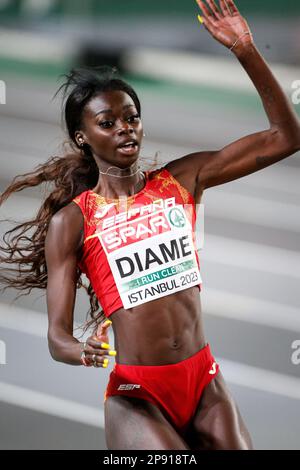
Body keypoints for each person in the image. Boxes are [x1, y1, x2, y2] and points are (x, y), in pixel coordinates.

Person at [1, 0, 299, 450]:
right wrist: (80, 351)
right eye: (108, 122)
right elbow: (57, 338)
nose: (125, 129)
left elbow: (286, 137)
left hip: (205, 382)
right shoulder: (74, 221)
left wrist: (245, 49)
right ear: (84, 137)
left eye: (132, 117)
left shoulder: (182, 180)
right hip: (138, 395)